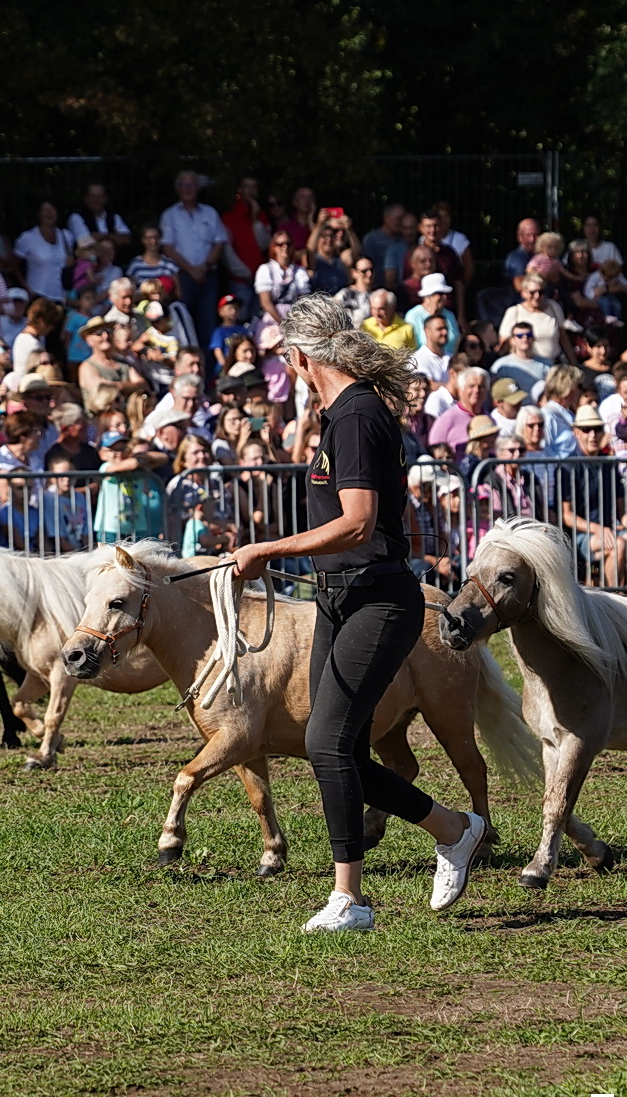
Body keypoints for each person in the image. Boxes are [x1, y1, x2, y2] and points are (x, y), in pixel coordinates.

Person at [224, 293, 485, 933]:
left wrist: (268, 548)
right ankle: (452, 829)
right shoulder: (337, 413)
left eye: (285, 356)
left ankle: (351, 898)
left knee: (328, 742)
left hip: (377, 595)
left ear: (302, 355)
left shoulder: (357, 416)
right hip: (339, 597)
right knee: (329, 745)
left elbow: (359, 521)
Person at [159, 170, 228, 345]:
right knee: (184, 324)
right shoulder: (169, 215)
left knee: (208, 325)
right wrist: (191, 270)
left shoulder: (210, 213)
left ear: (198, 188)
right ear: (178, 189)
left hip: (208, 276)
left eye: (191, 185)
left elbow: (219, 242)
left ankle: (208, 370)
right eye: (184, 185)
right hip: (182, 278)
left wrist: (204, 267)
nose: (188, 189)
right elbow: (168, 248)